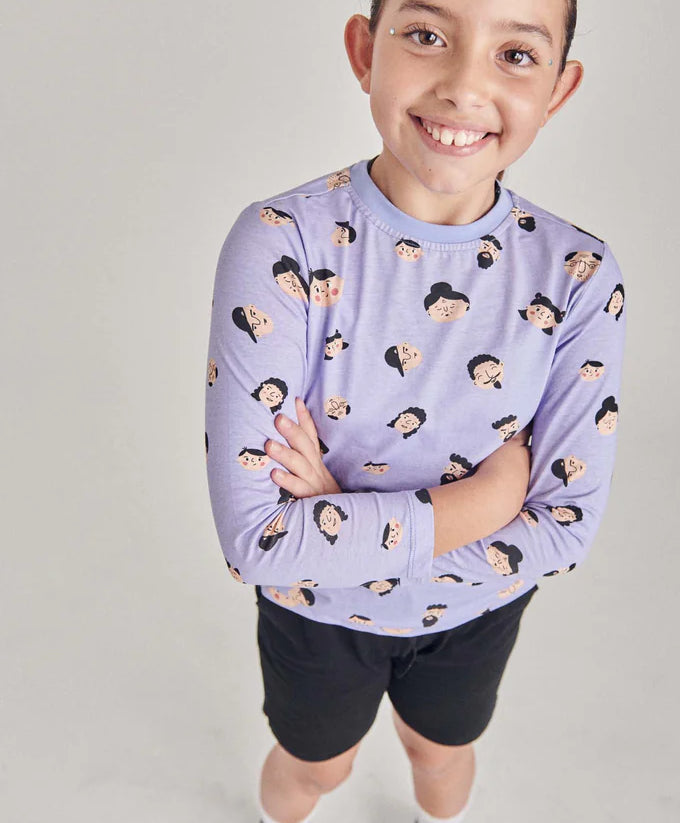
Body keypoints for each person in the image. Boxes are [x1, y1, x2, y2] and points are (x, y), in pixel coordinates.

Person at [203, 2, 628, 822]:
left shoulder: (577, 274)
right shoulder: (281, 242)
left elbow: (566, 526)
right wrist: (492, 499)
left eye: (515, 54)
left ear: (557, 89)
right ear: (366, 50)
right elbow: (257, 542)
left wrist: (333, 514)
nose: (463, 86)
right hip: (313, 618)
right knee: (314, 769)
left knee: (440, 754)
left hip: (472, 617)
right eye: (427, 36)